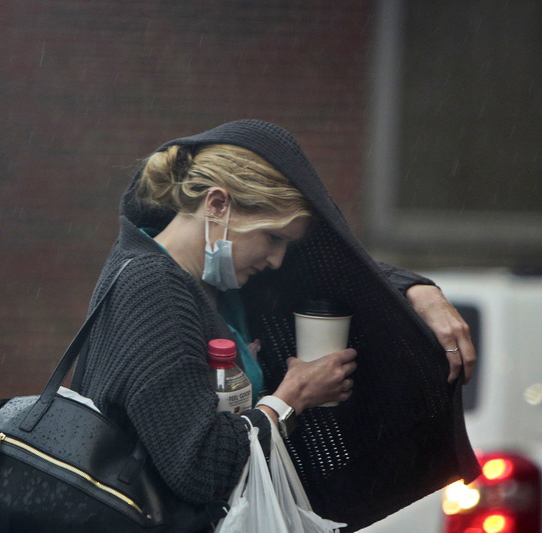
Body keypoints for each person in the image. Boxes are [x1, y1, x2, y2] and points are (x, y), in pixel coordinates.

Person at [74, 119, 479, 530]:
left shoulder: (221, 284)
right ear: (217, 205)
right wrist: (292, 396)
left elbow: (339, 273)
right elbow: (201, 467)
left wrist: (418, 290)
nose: (278, 260)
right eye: (273, 237)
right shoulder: (153, 288)